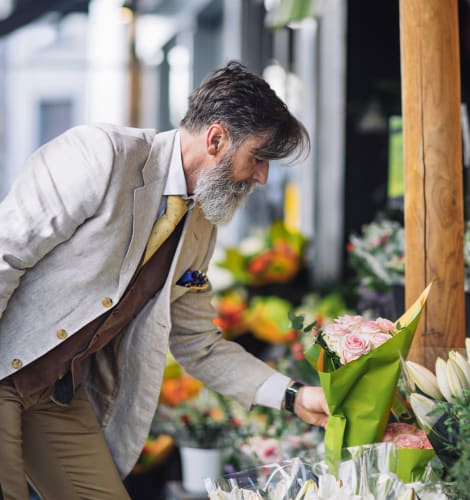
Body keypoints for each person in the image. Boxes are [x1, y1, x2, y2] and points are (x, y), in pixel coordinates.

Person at [0, 61, 329, 500]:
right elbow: (6, 254)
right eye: (258, 158)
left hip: (57, 395)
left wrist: (294, 396)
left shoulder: (201, 228)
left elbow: (198, 343)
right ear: (216, 139)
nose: (262, 176)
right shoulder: (102, 155)